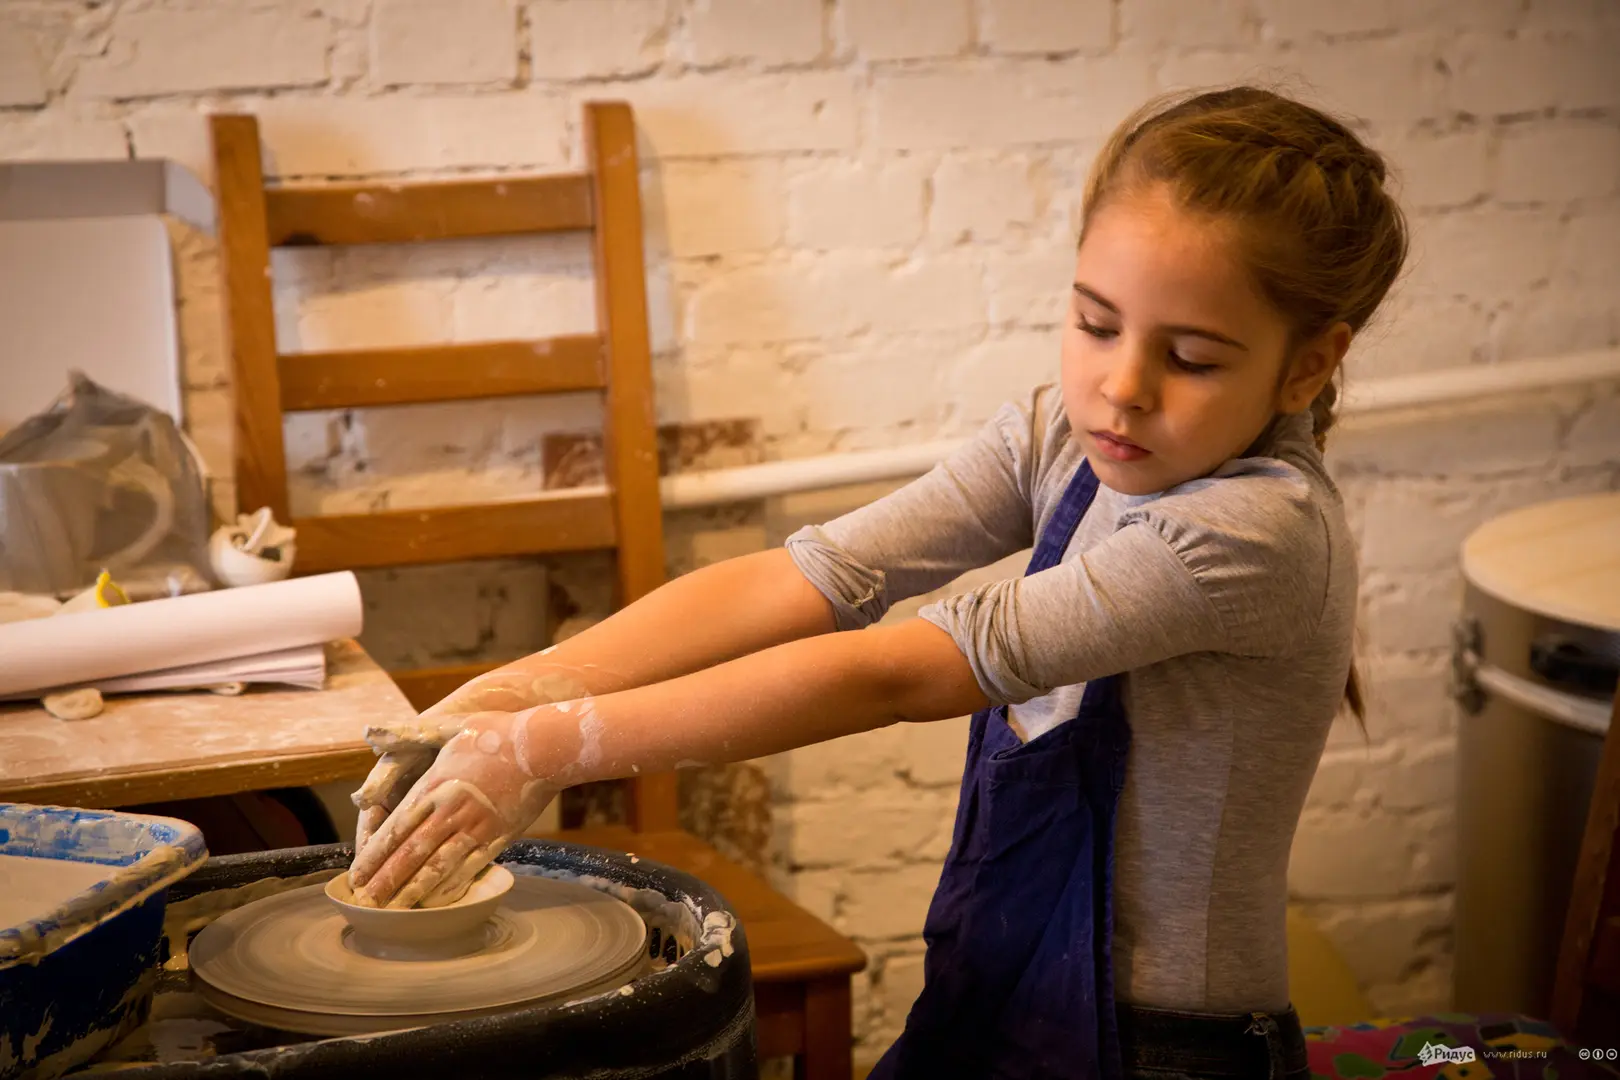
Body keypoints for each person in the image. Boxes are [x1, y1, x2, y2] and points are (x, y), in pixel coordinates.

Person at [348, 83, 1408, 1080]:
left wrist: (546, 750)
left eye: (1192, 358)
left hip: (1159, 1047)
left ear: (1310, 364)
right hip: (989, 995)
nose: (1120, 388)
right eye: (1095, 323)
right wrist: (525, 686)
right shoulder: (1059, 436)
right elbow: (821, 573)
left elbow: (899, 673)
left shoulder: (1256, 533)